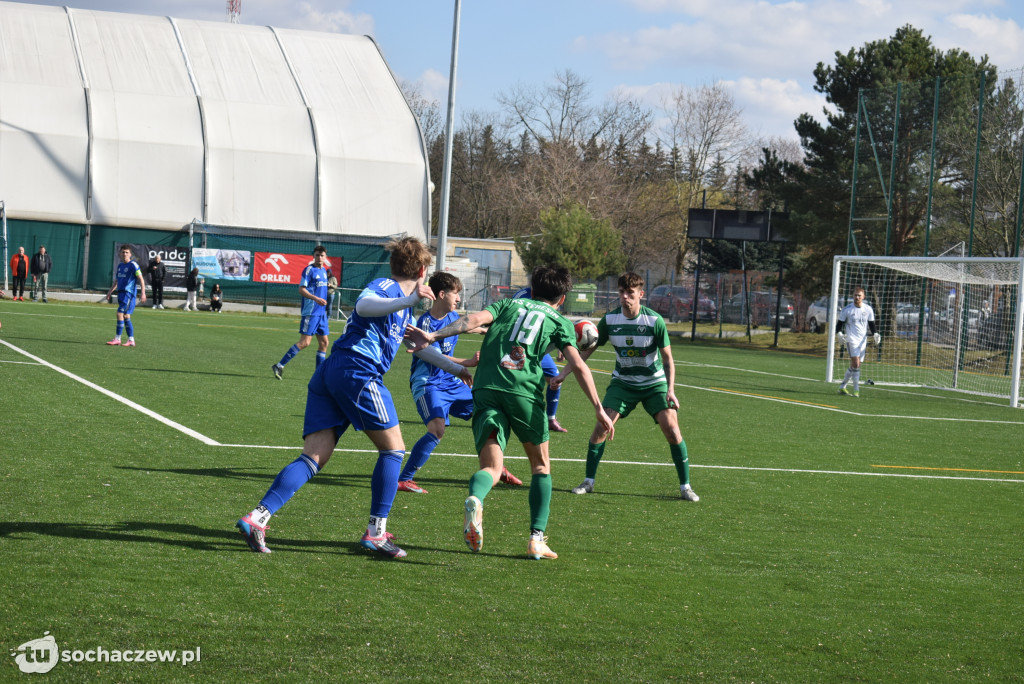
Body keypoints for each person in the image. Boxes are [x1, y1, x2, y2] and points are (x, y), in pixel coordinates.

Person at [237, 236, 472, 559]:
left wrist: (455, 368)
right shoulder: (388, 289)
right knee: (394, 450)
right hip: (356, 371)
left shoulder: (402, 307)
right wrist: (406, 302)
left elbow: (420, 349)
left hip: (334, 372)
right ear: (420, 269)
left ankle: (257, 518)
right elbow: (363, 305)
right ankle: (376, 533)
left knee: (314, 457)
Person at [405, 264, 615, 561]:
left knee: (491, 466)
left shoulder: (507, 304)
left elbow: (471, 320)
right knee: (541, 466)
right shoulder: (559, 321)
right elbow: (578, 365)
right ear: (562, 298)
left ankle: (476, 499)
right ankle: (536, 539)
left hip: (487, 389)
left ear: (532, 289)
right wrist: (599, 410)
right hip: (524, 395)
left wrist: (433, 335)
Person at [557, 272, 699, 502]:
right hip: (623, 383)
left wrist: (670, 389)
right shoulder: (610, 321)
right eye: (622, 292)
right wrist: (564, 373)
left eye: (630, 293)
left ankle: (685, 487)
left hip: (654, 384)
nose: (625, 297)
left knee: (672, 430)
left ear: (640, 294)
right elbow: (587, 351)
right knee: (600, 429)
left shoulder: (654, 321)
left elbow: (668, 359)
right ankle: (588, 481)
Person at [397, 272, 485, 494]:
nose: (458, 299)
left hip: (450, 382)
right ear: (442, 294)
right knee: (437, 429)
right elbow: (435, 355)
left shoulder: (450, 319)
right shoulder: (424, 324)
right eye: (456, 294)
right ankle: (404, 479)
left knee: (486, 412)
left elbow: (467, 326)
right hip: (429, 384)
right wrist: (467, 363)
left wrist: (485, 329)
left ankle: (493, 467)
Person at [512, 284, 568, 433]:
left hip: (539, 349)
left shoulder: (551, 294)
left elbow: (552, 319)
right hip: (516, 348)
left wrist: (560, 345)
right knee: (516, 380)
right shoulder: (521, 295)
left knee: (555, 379)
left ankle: (551, 419)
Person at [271, 246, 331, 379]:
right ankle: (279, 365)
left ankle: (318, 375)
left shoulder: (325, 272)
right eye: (317, 255)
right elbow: (301, 289)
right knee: (305, 342)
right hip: (311, 311)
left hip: (321, 313)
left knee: (324, 343)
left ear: (325, 257)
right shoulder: (309, 270)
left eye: (322, 256)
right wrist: (316, 299)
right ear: (313, 256)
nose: (319, 258)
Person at [835, 286, 878, 397]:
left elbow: (872, 324)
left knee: (855, 366)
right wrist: (839, 334)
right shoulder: (847, 309)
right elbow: (839, 325)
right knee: (856, 363)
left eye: (859, 295)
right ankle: (856, 390)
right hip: (851, 339)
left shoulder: (868, 309)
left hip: (862, 340)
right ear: (853, 296)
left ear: (863, 297)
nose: (857, 297)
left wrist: (875, 334)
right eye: (855, 295)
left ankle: (842, 387)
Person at [104, 245, 146, 346]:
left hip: (129, 294)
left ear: (130, 254)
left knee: (119, 314)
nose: (125, 254)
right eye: (123, 252)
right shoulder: (120, 266)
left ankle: (117, 338)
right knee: (126, 316)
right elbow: (117, 281)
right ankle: (131, 340)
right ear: (120, 254)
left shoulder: (133, 265)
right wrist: (110, 291)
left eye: (127, 252)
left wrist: (143, 293)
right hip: (121, 293)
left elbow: (141, 279)